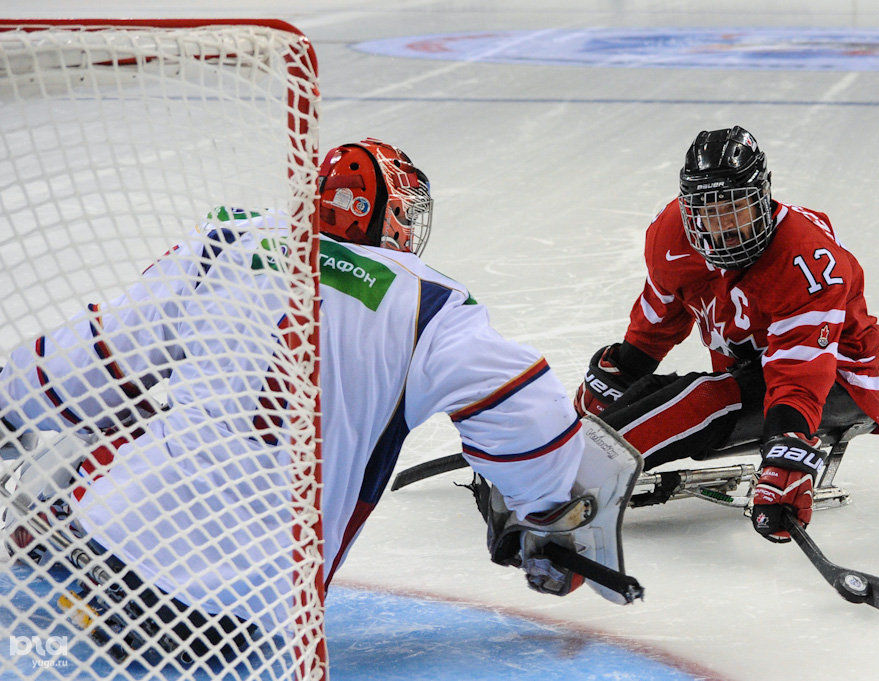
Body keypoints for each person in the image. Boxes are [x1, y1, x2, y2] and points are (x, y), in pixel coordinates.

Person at [0, 138, 640, 664]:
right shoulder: (427, 302)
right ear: (388, 216)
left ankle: (43, 512)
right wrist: (544, 517)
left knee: (120, 408)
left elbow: (95, 357)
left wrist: (8, 406)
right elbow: (530, 413)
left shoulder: (227, 240)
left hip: (111, 557)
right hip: (248, 614)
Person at [574, 125, 879, 543]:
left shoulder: (807, 259)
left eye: (735, 207)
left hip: (835, 381)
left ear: (762, 198)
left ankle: (569, 475)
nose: (722, 227)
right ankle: (567, 452)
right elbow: (659, 318)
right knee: (654, 394)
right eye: (707, 210)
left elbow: (800, 372)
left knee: (705, 399)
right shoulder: (671, 235)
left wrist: (788, 451)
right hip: (750, 371)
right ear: (687, 208)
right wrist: (621, 374)